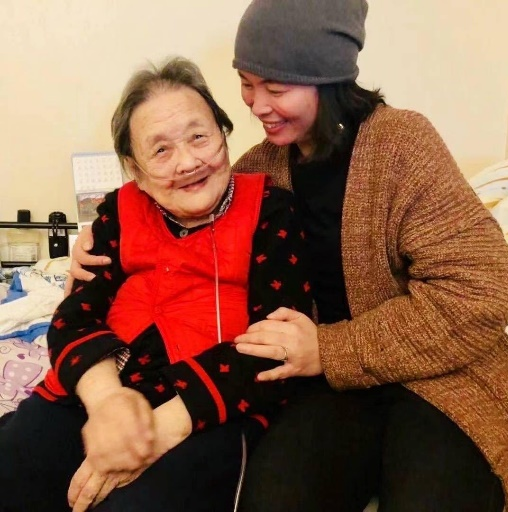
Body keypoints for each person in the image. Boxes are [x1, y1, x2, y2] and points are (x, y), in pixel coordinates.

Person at [68, 0, 508, 511]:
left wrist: (330, 349)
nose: (257, 105)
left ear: (329, 79)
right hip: (324, 391)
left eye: (276, 89)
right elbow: (178, 209)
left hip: (440, 377)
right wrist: (97, 243)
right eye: (246, 83)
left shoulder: (401, 144)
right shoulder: (259, 169)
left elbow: (483, 292)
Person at [0, 56, 313, 512]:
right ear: (135, 170)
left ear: (224, 135)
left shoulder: (271, 209)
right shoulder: (117, 211)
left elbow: (278, 345)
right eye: (161, 150)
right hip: (97, 389)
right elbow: (73, 317)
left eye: (199, 137)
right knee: (12, 466)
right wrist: (109, 405)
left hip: (208, 406)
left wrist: (156, 430)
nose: (187, 162)